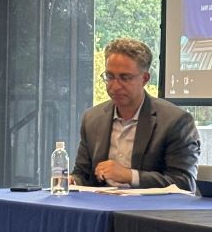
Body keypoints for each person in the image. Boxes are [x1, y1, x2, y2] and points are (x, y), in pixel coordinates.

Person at [72, 38, 200, 192]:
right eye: (110, 77)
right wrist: (72, 180)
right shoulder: (92, 118)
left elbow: (184, 182)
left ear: (145, 79)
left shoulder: (176, 121)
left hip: (147, 212)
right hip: (99, 208)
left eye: (125, 78)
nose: (115, 86)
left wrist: (130, 176)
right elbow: (82, 174)